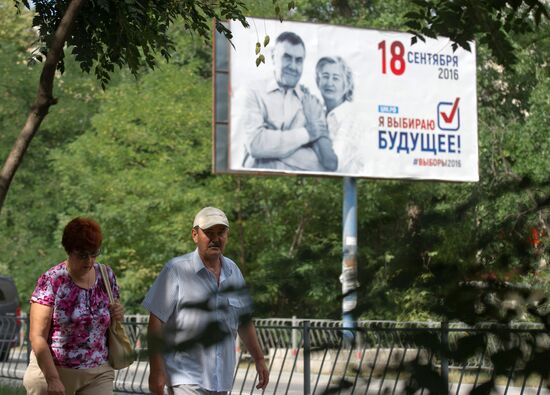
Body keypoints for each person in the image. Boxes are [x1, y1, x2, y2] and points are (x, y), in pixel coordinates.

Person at [143, 207, 269, 395]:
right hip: (185, 378)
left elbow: (244, 321)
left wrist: (259, 359)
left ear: (227, 236)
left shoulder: (233, 271)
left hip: (221, 380)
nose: (215, 239)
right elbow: (156, 323)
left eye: (221, 233)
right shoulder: (176, 270)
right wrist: (156, 371)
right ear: (195, 235)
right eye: (209, 233)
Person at [23, 217, 124, 395]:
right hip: (55, 372)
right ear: (70, 250)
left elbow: (110, 318)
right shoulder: (53, 280)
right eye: (83, 255)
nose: (90, 260)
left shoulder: (106, 276)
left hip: (98, 372)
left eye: (94, 253)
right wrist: (52, 379)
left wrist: (117, 313)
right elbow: (37, 336)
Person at [234, 31, 338, 172]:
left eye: (299, 60)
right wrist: (308, 134)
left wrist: (270, 149)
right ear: (273, 57)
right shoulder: (253, 92)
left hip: (299, 188)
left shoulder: (312, 104)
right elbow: (255, 144)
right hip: (254, 184)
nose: (293, 66)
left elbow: (328, 164)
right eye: (287, 58)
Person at [315, 56, 365, 174]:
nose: (329, 83)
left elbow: (333, 163)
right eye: (325, 76)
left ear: (346, 85)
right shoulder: (319, 112)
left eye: (336, 78)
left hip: (351, 185)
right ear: (318, 81)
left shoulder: (352, 117)